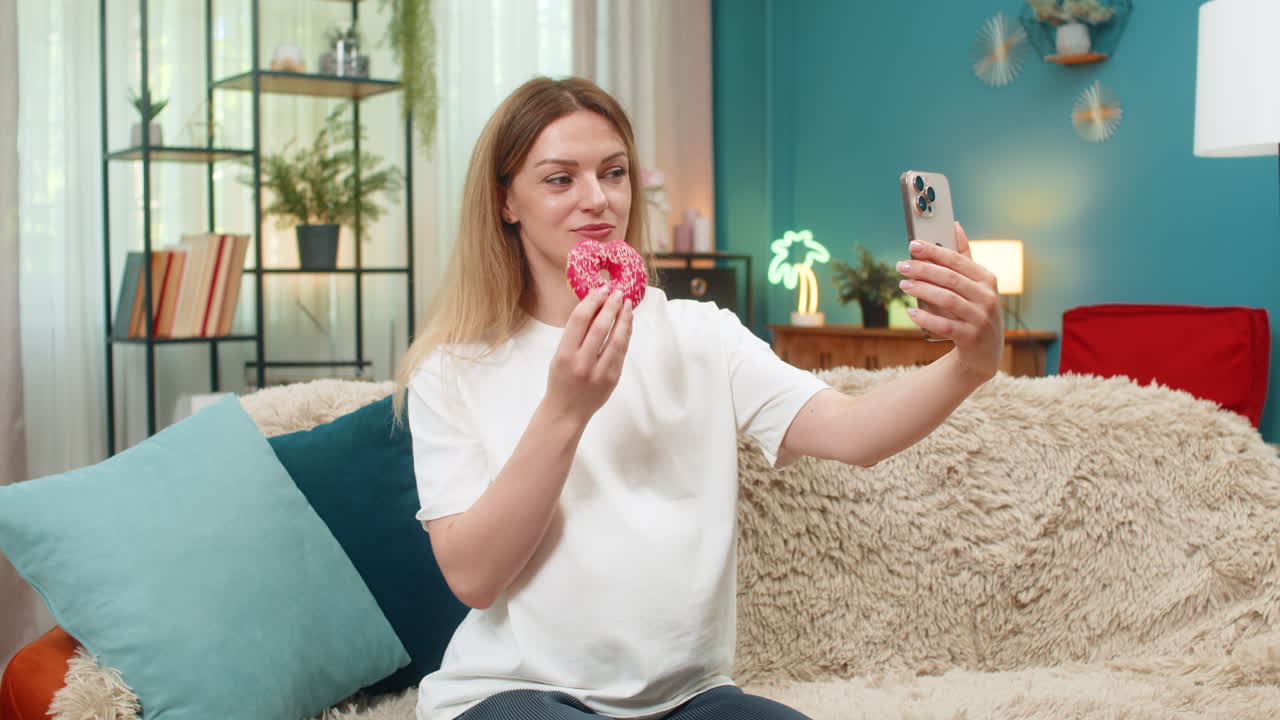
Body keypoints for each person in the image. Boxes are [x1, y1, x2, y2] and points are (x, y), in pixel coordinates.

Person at [394, 76, 1003, 720]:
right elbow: (474, 578)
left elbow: (852, 431)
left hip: (689, 699)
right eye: (559, 179)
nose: (597, 200)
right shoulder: (452, 368)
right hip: (513, 692)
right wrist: (566, 409)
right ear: (505, 202)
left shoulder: (699, 333)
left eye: (613, 172)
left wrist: (970, 365)